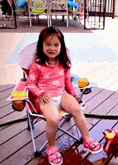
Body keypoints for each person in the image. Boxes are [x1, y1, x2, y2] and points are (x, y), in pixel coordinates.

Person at [27, 26, 103, 165]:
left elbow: (67, 82)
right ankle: (53, 148)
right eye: (48, 44)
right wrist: (40, 93)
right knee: (54, 119)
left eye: (56, 45)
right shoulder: (37, 64)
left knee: (77, 109)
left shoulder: (64, 63)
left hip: (61, 94)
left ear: (61, 46)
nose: (52, 48)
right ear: (41, 45)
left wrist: (73, 94)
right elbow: (30, 83)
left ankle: (87, 140)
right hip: (46, 97)